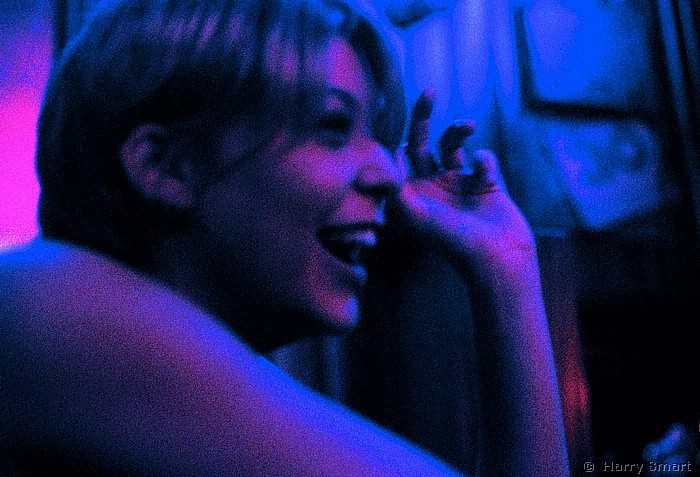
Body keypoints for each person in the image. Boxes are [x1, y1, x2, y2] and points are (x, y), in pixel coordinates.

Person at [0, 0, 569, 475]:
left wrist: (507, 266)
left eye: (377, 136)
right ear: (165, 165)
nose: (390, 175)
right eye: (332, 126)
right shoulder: (39, 302)